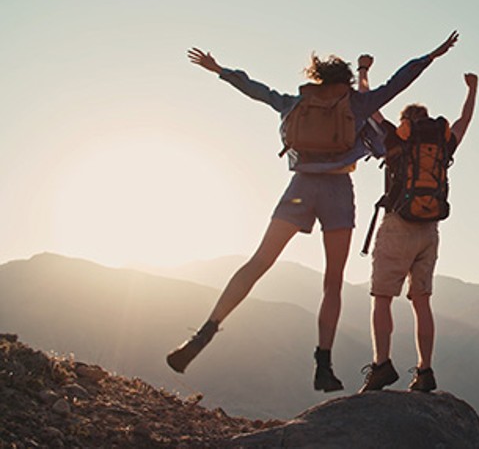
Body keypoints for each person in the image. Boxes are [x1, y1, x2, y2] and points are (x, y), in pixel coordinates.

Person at [166, 32, 460, 393]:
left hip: (300, 189)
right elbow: (400, 81)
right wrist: (432, 55)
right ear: (346, 81)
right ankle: (324, 364)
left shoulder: (297, 102)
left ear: (318, 77)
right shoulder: (356, 105)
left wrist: (220, 69)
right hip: (337, 191)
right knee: (332, 281)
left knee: (259, 262)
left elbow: (258, 91)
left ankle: (205, 332)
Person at [356, 55, 478, 393]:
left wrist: (363, 71)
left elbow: (368, 106)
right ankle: (425, 372)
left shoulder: (397, 139)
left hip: (397, 225)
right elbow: (464, 120)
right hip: (430, 230)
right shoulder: (443, 143)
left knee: (382, 298)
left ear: (405, 123)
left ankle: (381, 366)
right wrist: (472, 89)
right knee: (422, 302)